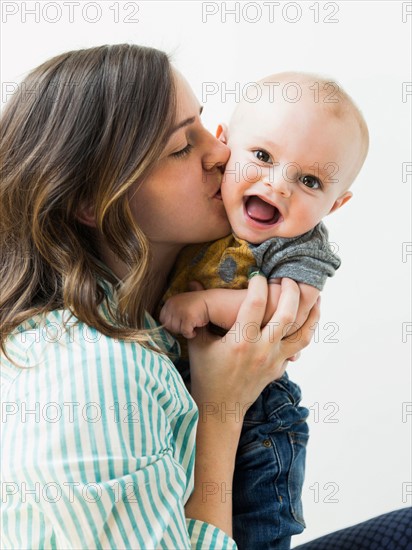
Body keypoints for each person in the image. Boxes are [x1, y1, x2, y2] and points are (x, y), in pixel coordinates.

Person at [1, 44, 410, 550]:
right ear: (92, 200)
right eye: (181, 147)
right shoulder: (95, 374)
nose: (221, 153)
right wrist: (220, 407)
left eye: (202, 123)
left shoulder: (143, 322)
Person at [159, 72, 369, 548]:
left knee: (255, 531)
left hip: (261, 424)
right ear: (224, 147)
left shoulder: (297, 244)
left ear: (335, 205)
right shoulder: (202, 213)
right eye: (262, 156)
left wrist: (208, 303)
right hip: (188, 404)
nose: (278, 185)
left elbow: (285, 310)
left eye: (309, 181)